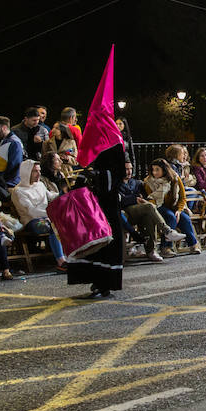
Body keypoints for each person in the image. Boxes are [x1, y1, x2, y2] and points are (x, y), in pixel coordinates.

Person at [66, 48, 127, 299]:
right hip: (93, 198)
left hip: (107, 197)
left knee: (108, 237)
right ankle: (93, 279)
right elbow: (86, 164)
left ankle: (106, 282)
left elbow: (119, 172)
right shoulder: (95, 137)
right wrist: (83, 178)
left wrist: (99, 178)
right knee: (92, 235)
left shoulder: (113, 140)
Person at [10, 159, 67, 270]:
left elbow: (50, 196)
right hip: (31, 221)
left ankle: (72, 256)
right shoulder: (18, 191)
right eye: (35, 171)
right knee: (52, 225)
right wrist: (52, 214)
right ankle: (61, 261)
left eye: (39, 171)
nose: (39, 174)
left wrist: (62, 193)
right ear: (27, 172)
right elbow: (31, 211)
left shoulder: (40, 184)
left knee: (68, 221)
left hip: (48, 217)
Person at [145, 158, 200, 254]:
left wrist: (179, 210)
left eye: (157, 169)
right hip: (158, 206)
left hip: (174, 206)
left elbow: (182, 197)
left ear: (164, 169)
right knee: (170, 216)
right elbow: (151, 199)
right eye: (153, 170)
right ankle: (166, 247)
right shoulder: (149, 182)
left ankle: (193, 244)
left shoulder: (174, 178)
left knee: (185, 218)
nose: (154, 172)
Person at [119, 159, 168, 261]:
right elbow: (119, 200)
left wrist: (133, 198)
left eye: (131, 169)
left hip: (138, 210)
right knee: (149, 207)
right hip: (123, 212)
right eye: (126, 169)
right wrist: (134, 198)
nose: (129, 172)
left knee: (148, 216)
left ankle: (151, 251)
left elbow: (144, 196)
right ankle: (166, 231)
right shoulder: (116, 183)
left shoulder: (136, 182)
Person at [0, 116, 25, 188]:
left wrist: (5, 184)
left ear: (4, 128)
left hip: (9, 184)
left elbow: (15, 166)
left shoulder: (15, 143)